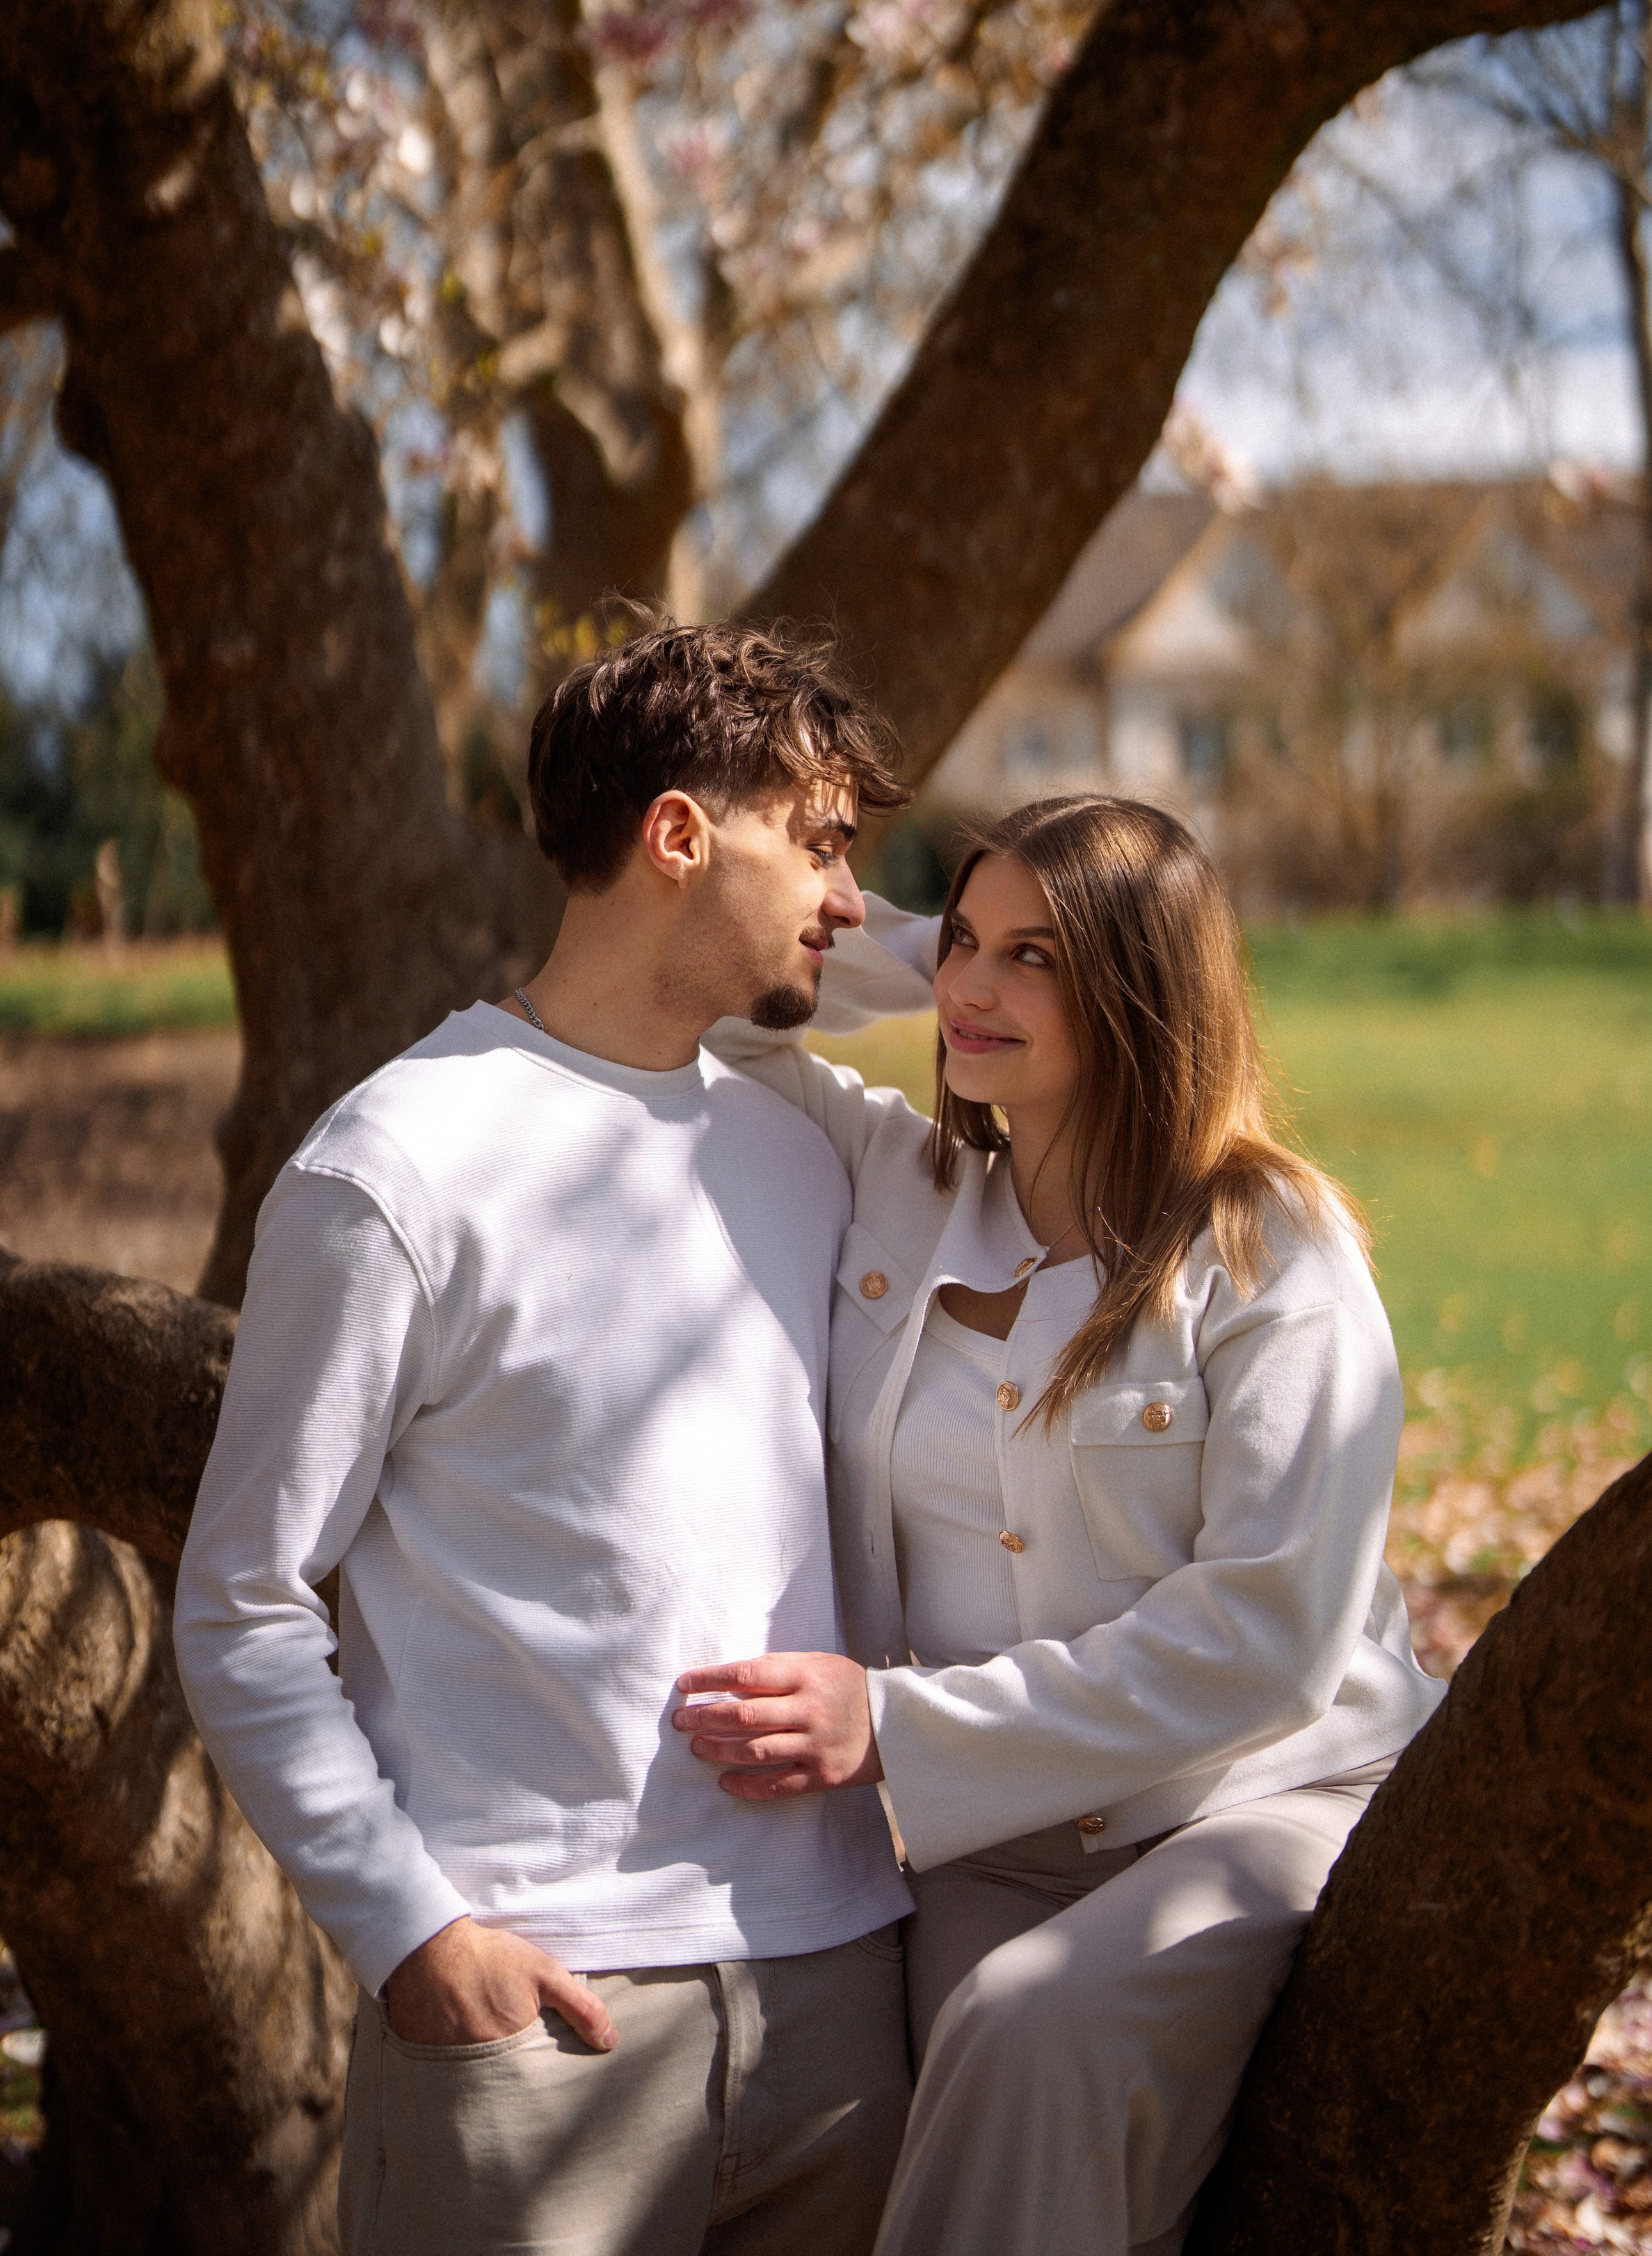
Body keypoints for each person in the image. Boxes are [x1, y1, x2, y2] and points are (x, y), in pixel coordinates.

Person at [173, 621, 934, 2256]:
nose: (846, 900)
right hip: (534, 2018)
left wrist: (845, 917)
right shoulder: (394, 1168)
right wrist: (408, 1934)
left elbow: (1042, 980)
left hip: (838, 1996)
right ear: (675, 836)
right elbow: (240, 1600)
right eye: (814, 841)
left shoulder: (811, 1142)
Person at [675, 792, 1447, 2256]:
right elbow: (722, 1000)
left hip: (1255, 1799)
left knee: (1032, 2039)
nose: (970, 988)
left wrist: (894, 1730)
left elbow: (1268, 1640)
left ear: (1140, 988)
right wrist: (935, 948)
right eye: (965, 944)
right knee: (897, 2095)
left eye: (1037, 959)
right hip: (988, 1839)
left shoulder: (1270, 1246)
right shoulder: (895, 1183)